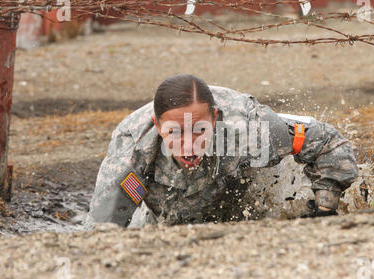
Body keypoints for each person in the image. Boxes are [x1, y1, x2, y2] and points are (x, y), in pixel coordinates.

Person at [87, 74, 358, 228]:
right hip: (165, 222)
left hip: (241, 213)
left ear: (215, 119)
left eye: (199, 131)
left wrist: (324, 209)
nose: (189, 145)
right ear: (158, 126)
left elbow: (327, 143)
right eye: (175, 133)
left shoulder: (249, 127)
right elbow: (103, 230)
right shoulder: (133, 150)